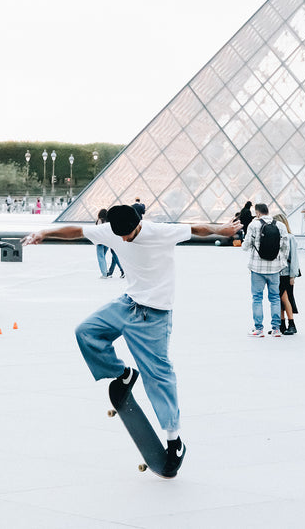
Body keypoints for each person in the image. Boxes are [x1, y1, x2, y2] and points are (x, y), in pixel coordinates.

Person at [22, 204, 239, 478]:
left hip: (155, 316)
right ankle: (122, 374)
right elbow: (76, 231)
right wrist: (45, 232)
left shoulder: (161, 231)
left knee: (159, 376)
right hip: (127, 303)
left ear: (139, 224)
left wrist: (223, 229)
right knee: (86, 331)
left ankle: (175, 441)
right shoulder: (112, 231)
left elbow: (197, 228)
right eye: (120, 236)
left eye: (129, 234)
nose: (124, 239)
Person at [245, 203, 290, 337]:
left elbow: (246, 245)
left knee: (257, 298)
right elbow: (285, 248)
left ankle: (259, 329)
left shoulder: (253, 225)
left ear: (257, 213)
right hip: (275, 269)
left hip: (257, 268)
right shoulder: (280, 226)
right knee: (275, 298)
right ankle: (276, 329)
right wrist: (281, 264)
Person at [273, 213, 301, 335]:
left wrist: (293, 276)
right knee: (279, 299)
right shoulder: (277, 237)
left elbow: (294, 258)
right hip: (278, 272)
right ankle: (282, 324)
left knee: (285, 298)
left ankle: (291, 324)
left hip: (286, 273)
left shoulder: (290, 238)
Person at [94, 209, 125, 279]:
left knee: (101, 257)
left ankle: (104, 273)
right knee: (113, 255)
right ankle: (111, 272)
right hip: (108, 241)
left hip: (100, 241)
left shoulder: (100, 220)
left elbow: (98, 231)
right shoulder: (110, 221)